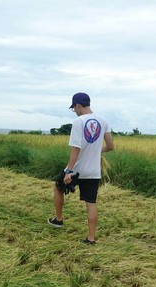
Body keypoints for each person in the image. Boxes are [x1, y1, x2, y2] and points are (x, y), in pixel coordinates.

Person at [48, 92, 114, 244]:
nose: (75, 111)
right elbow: (110, 146)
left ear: (78, 105)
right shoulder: (104, 121)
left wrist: (68, 171)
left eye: (74, 108)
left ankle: (58, 219)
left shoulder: (78, 122)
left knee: (58, 187)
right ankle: (91, 238)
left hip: (77, 169)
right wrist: (98, 151)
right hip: (93, 171)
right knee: (91, 203)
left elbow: (75, 149)